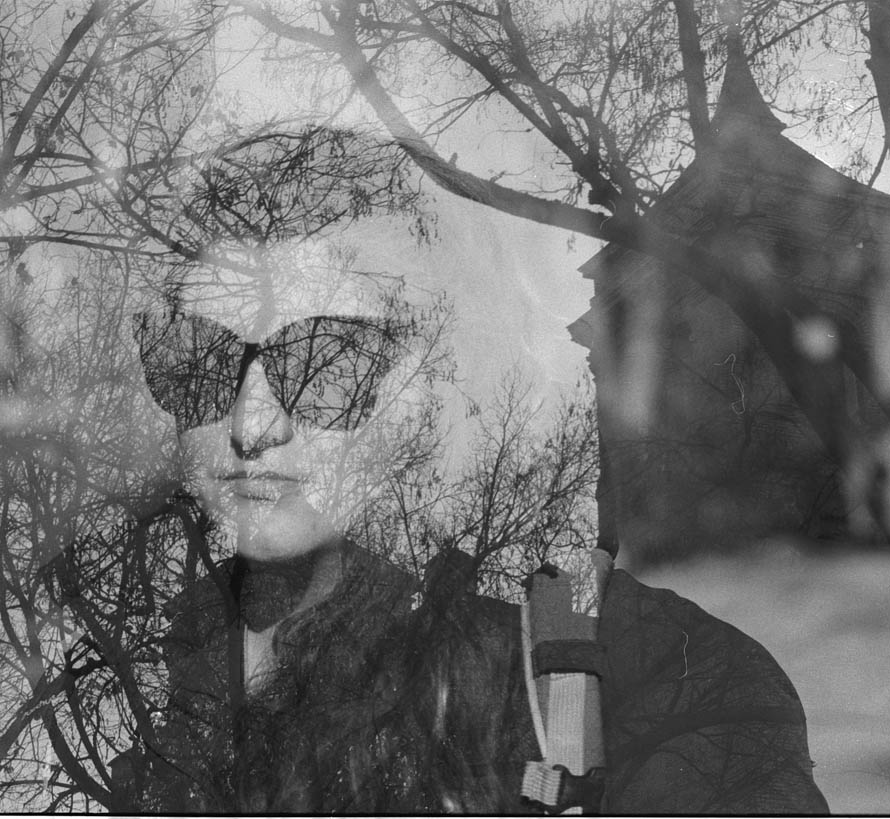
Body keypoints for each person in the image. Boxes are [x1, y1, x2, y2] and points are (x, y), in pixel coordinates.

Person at [110, 231, 829, 814]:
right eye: (199, 356)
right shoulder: (112, 657)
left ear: (421, 391)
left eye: (323, 360)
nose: (252, 424)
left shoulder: (636, 672)